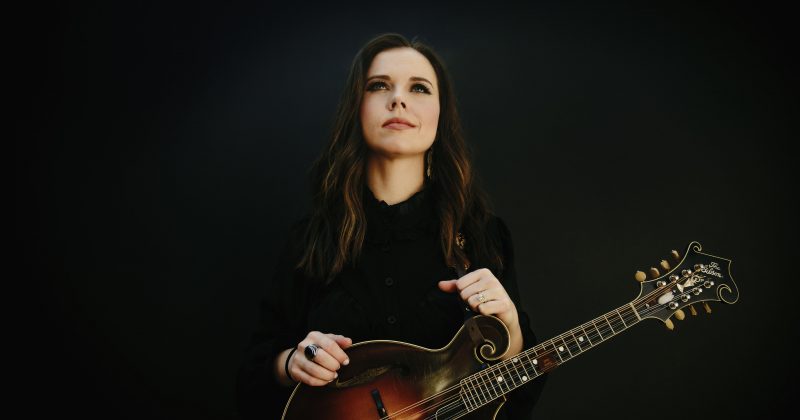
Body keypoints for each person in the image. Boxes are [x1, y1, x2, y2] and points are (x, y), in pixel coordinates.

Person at [236, 33, 546, 419]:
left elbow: (521, 395)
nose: (398, 99)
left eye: (419, 88)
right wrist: (292, 362)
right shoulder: (310, 239)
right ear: (357, 107)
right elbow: (249, 380)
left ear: (441, 115)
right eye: (379, 85)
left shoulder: (483, 236)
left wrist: (511, 332)